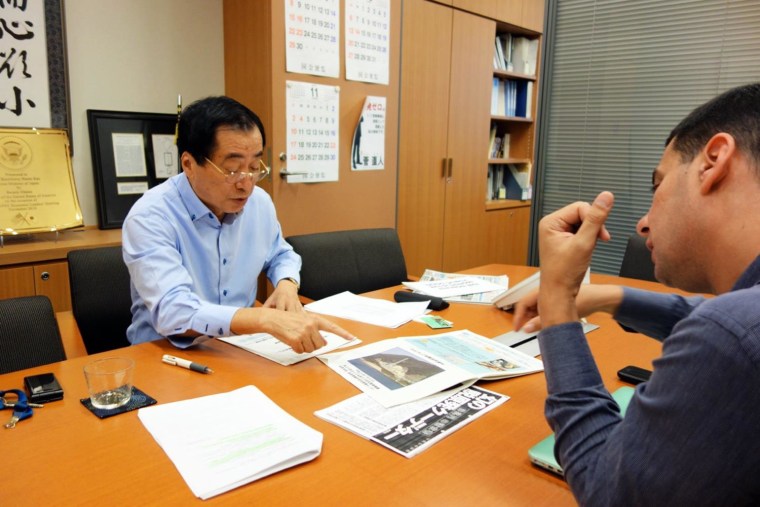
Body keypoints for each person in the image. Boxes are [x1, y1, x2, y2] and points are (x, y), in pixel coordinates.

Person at [514, 83, 760, 505]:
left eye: (657, 185)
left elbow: (607, 489)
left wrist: (557, 293)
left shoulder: (731, 336)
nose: (643, 223)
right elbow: (721, 321)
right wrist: (608, 297)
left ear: (713, 161)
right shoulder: (741, 322)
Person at [122, 96, 353, 352]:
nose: (246, 183)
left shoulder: (259, 203)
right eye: (232, 169)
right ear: (188, 164)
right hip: (164, 353)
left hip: (239, 347)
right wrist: (263, 319)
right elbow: (174, 313)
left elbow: (280, 253)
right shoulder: (150, 217)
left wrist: (287, 283)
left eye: (254, 166)